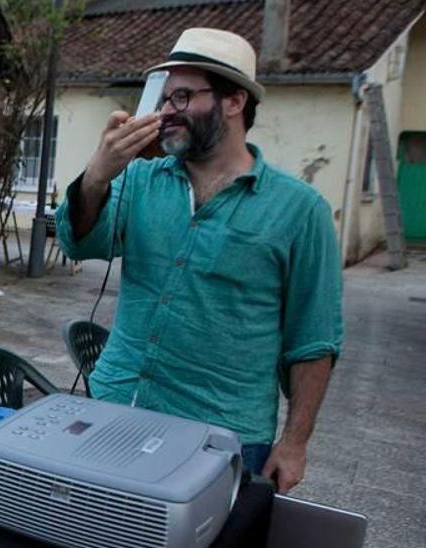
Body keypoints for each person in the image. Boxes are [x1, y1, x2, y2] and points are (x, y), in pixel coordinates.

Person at [55, 28, 343, 493]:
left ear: (234, 101)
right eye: (165, 98)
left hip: (219, 436)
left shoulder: (300, 210)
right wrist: (95, 178)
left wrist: (294, 443)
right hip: (114, 405)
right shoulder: (143, 180)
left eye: (183, 97)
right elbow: (81, 242)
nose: (166, 111)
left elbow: (314, 341)